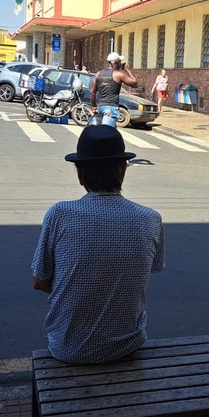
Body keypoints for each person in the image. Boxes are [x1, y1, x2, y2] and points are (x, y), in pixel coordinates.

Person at [31, 124, 165, 364]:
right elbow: (142, 273)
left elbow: (40, 281)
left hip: (68, 349)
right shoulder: (151, 218)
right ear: (122, 170)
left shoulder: (60, 214)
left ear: (80, 174)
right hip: (127, 344)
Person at [91, 52, 137, 127]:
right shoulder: (118, 74)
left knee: (112, 134)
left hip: (100, 107)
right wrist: (127, 70)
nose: (121, 63)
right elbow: (135, 84)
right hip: (111, 108)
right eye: (120, 61)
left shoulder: (98, 74)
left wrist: (94, 106)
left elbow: (92, 92)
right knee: (106, 134)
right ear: (117, 62)